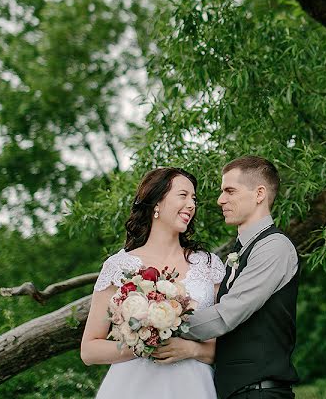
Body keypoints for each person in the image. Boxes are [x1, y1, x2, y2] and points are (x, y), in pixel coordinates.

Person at [153, 156, 300, 399]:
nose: (221, 200)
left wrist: (162, 324)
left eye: (229, 191)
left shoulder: (275, 247)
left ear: (259, 194)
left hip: (261, 393)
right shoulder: (239, 252)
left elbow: (226, 315)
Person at [81, 167, 226, 398]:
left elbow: (229, 346)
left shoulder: (209, 266)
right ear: (157, 202)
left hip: (192, 387)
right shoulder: (119, 266)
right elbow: (89, 350)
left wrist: (190, 349)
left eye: (194, 198)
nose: (191, 204)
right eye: (183, 195)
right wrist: (142, 345)